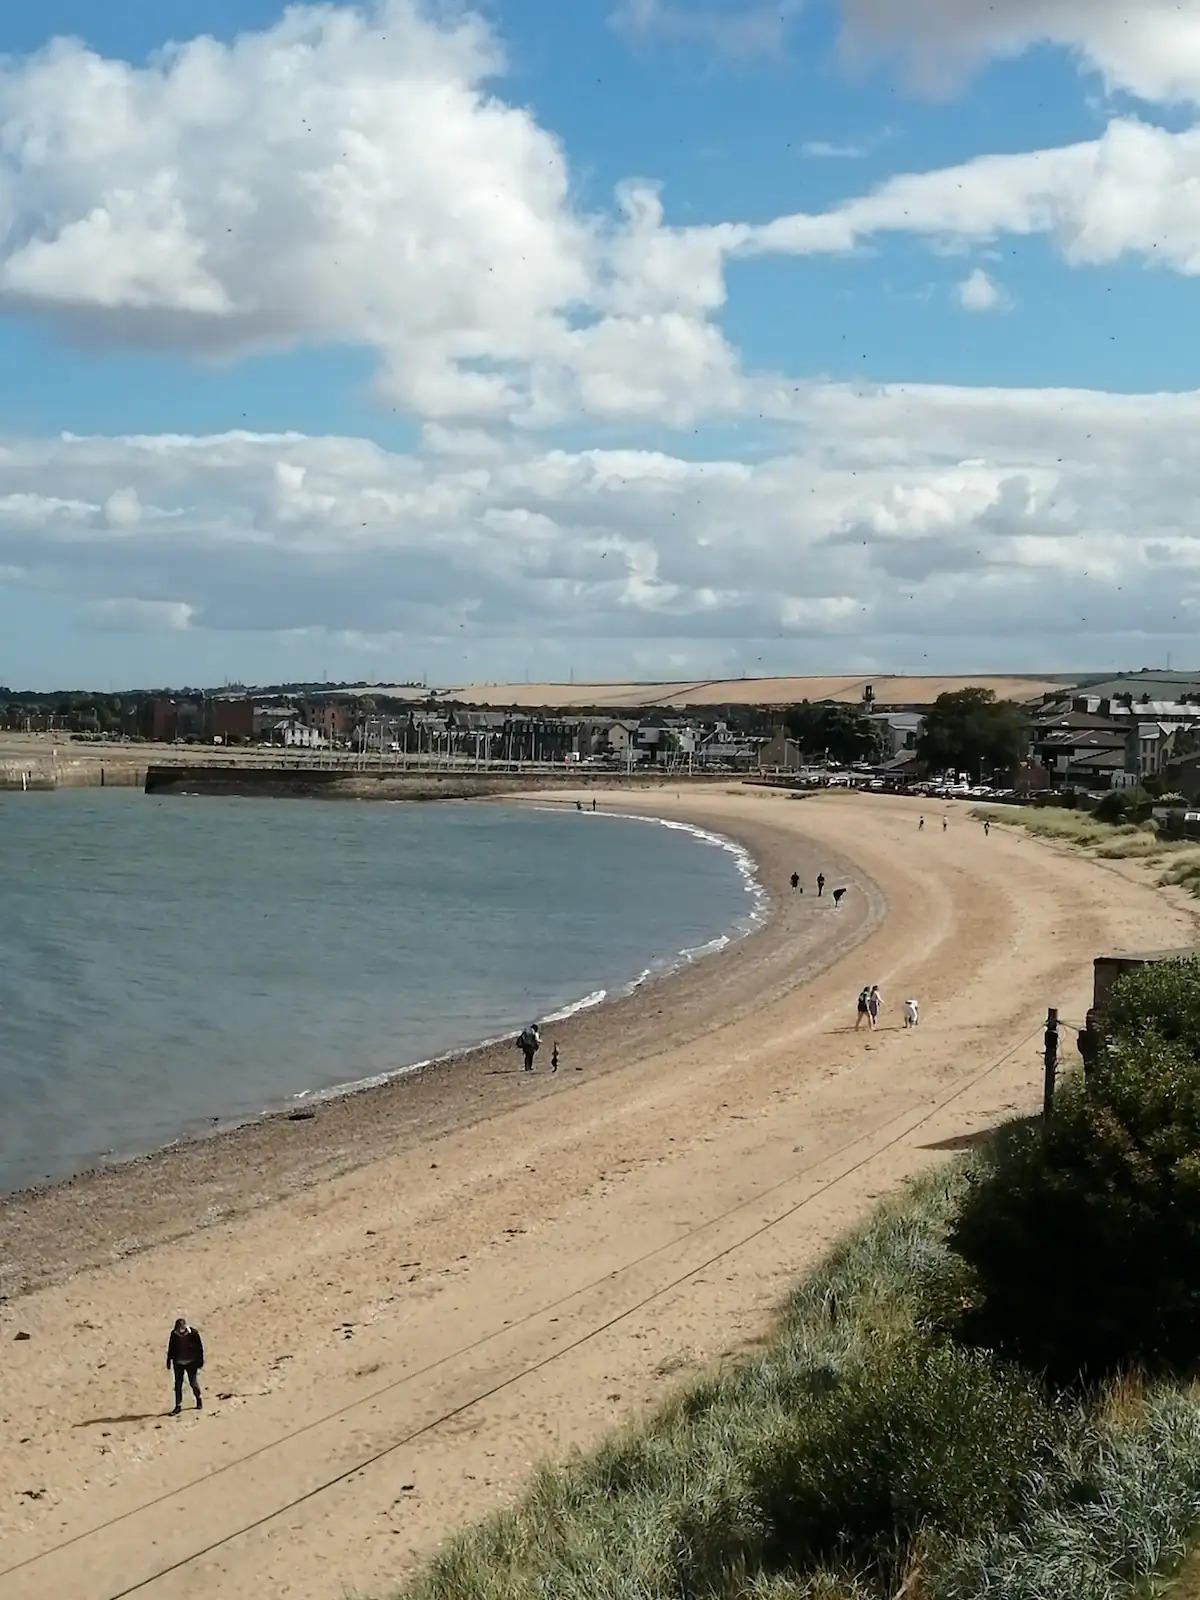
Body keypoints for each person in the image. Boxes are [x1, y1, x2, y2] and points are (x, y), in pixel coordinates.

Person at [166, 1317, 204, 1415]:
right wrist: (169, 1360)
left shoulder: (194, 1333)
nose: (180, 1332)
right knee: (178, 1385)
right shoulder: (173, 1334)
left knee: (193, 1382)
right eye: (178, 1330)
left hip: (191, 1362)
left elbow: (199, 1348)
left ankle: (198, 1399)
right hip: (178, 1363)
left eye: (181, 1329)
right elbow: (171, 1347)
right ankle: (178, 1406)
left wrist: (200, 1361)